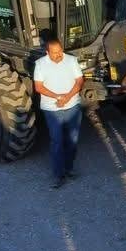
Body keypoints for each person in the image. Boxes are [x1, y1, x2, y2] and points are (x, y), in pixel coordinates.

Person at [33, 37, 84, 189]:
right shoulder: (40, 64)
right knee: (57, 141)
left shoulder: (71, 60)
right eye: (55, 53)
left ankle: (69, 168)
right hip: (52, 109)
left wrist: (67, 97)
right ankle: (58, 174)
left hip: (72, 106)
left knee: (72, 140)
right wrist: (57, 97)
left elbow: (79, 81)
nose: (59, 55)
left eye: (60, 51)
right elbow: (38, 87)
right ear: (47, 52)